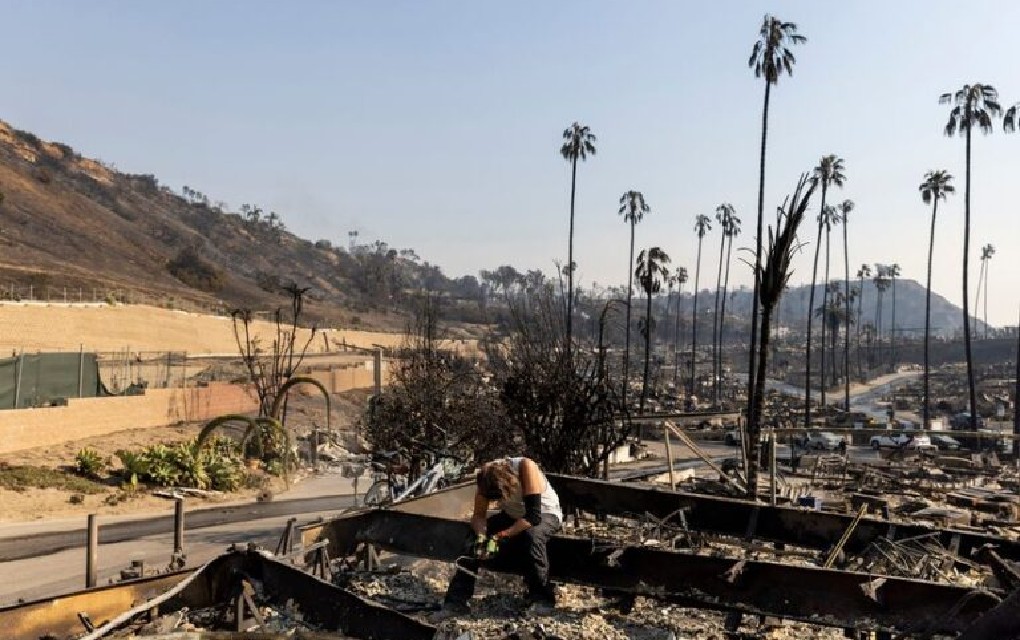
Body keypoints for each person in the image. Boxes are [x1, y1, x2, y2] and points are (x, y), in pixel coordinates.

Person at [437, 456, 563, 617]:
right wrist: (481, 537)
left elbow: (533, 516)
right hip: (513, 515)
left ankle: (542, 599)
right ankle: (456, 602)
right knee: (471, 541)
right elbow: (478, 516)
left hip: (545, 513)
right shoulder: (486, 478)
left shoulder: (525, 467)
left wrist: (503, 535)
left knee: (532, 537)